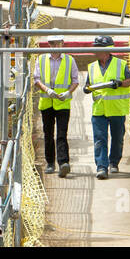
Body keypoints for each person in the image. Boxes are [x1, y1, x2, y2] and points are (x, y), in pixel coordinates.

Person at [85, 34, 130, 179]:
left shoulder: (120, 64)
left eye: (98, 48)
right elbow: (88, 84)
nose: (95, 51)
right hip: (99, 109)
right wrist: (87, 88)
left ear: (107, 50)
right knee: (100, 138)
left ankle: (114, 162)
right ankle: (101, 167)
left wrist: (119, 83)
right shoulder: (92, 67)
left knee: (117, 137)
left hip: (116, 109)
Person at [35, 34, 78, 178]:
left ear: (62, 43)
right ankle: (50, 163)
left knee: (61, 134)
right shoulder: (41, 59)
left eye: (57, 43)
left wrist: (68, 92)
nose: (54, 46)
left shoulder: (69, 60)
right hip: (46, 102)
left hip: (62, 102)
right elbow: (36, 79)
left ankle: (63, 162)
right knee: (48, 134)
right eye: (52, 43)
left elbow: (75, 80)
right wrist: (46, 90)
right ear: (48, 44)